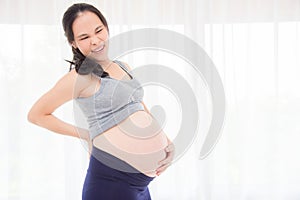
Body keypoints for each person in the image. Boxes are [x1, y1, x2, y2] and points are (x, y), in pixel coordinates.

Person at [27, 3, 175, 200]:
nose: (95, 41)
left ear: (106, 28)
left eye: (99, 31)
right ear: (73, 43)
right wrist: (86, 134)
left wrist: (166, 142)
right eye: (84, 37)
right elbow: (36, 114)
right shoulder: (80, 77)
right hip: (111, 183)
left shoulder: (123, 66)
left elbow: (138, 105)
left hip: (140, 185)